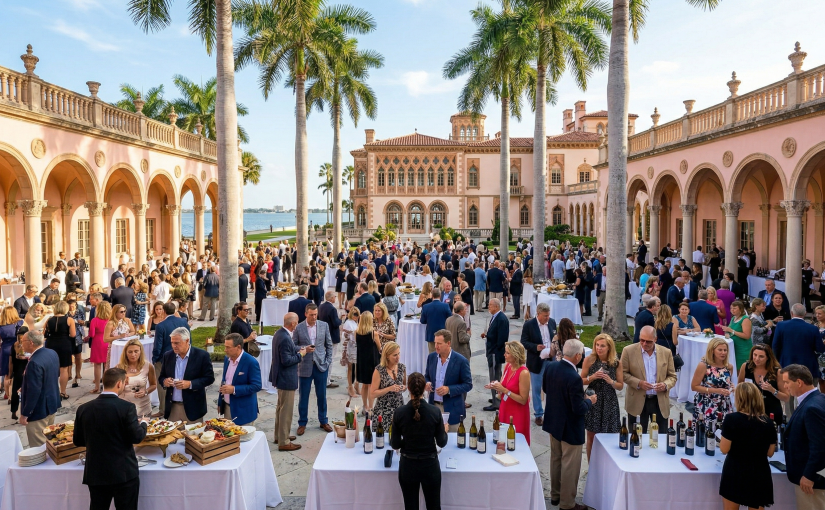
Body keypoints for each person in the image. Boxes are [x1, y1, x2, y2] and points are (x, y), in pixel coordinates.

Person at [73, 368, 148, 510]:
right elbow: (137, 437)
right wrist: (144, 423)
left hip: (96, 472)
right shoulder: (127, 407)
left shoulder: (83, 409)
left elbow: (78, 441)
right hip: (124, 472)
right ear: (119, 384)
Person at [543, 339, 596, 510]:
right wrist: (590, 401)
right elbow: (578, 408)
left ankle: (555, 495)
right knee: (570, 466)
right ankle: (567, 504)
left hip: (553, 421)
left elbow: (545, 388)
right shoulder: (574, 377)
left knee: (556, 460)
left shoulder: (551, 367)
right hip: (570, 427)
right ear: (578, 356)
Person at [391, 372, 448, 510]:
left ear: (409, 389)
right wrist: (444, 430)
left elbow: (395, 444)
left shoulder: (400, 412)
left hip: (408, 466)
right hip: (429, 465)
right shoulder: (434, 412)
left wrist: (409, 440)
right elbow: (441, 442)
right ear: (424, 389)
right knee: (434, 506)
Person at [719, 381, 778, 510]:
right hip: (759, 472)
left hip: (736, 471)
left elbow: (724, 449)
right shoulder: (768, 422)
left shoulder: (732, 419)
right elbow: (770, 452)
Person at [780, 364, 825, 509]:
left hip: (812, 482)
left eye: (787, 382)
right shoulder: (818, 398)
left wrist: (809, 475)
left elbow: (819, 446)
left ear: (799, 382)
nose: (785, 386)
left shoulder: (811, 407)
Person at [621, 325, 677, 433]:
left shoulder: (666, 352)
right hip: (637, 401)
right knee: (636, 437)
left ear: (655, 339)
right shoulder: (628, 351)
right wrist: (638, 383)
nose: (644, 344)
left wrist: (665, 385)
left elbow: (672, 376)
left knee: (661, 437)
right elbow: (622, 373)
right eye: (642, 340)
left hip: (659, 401)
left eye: (648, 341)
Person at [159, 327, 215, 423]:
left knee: (193, 437)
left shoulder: (202, 355)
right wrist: (165, 381)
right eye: (172, 343)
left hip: (193, 409)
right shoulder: (168, 356)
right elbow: (161, 377)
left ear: (187, 341)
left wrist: (190, 384)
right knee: (172, 437)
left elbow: (209, 378)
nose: (174, 346)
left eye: (177, 343)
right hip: (173, 408)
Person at [292, 303, 333, 435]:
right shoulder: (299, 328)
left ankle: (323, 420)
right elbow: (293, 346)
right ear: (306, 314)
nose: (314, 317)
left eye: (315, 314)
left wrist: (327, 362)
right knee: (303, 396)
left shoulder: (324, 325)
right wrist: (304, 350)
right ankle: (302, 423)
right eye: (311, 315)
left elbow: (329, 345)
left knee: (322, 395)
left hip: (321, 366)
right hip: (304, 366)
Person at [582, 334, 623, 461]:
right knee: (591, 436)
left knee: (610, 436)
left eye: (602, 346)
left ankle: (607, 465)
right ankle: (591, 467)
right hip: (593, 400)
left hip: (609, 401)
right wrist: (592, 377)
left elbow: (620, 386)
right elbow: (580, 380)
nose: (599, 348)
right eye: (597, 345)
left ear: (609, 348)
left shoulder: (616, 363)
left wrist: (611, 381)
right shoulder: (589, 360)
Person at [19, 330, 61, 447]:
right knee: (49, 442)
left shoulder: (34, 362)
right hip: (51, 405)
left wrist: (25, 414)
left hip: (38, 411)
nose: (22, 344)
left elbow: (34, 391)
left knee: (39, 447)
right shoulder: (52, 353)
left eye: (23, 341)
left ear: (31, 343)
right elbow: (54, 375)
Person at [424, 329, 472, 432]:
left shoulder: (461, 361)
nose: (436, 346)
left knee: (453, 441)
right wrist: (427, 383)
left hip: (452, 410)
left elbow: (468, 384)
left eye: (439, 343)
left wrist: (449, 389)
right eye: (435, 342)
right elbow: (427, 375)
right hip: (434, 407)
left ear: (448, 343)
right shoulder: (431, 357)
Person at [270, 313, 305, 450]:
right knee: (286, 411)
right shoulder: (285, 337)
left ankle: (279, 435)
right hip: (286, 378)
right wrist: (300, 355)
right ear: (293, 324)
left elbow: (288, 350)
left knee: (280, 408)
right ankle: (284, 442)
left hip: (280, 377)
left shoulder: (279, 333)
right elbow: (287, 360)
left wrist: (300, 349)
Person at [487, 341, 531, 444]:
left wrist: (505, 391)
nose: (504, 355)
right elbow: (503, 385)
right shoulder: (508, 366)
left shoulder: (523, 373)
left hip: (517, 412)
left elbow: (523, 400)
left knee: (515, 440)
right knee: (503, 438)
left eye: (507, 353)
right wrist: (495, 385)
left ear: (515, 355)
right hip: (505, 407)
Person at [520, 302, 556, 426]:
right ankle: (538, 414)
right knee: (536, 389)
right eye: (545, 316)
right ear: (538, 314)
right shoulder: (529, 325)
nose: (547, 318)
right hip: (536, 361)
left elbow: (555, 338)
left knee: (551, 388)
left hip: (551, 361)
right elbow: (523, 342)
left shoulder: (552, 322)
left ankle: (550, 412)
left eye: (548, 315)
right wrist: (536, 347)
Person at [152, 302, 189, 416]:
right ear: (175, 310)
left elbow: (158, 345)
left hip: (164, 359)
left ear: (163, 311)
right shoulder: (183, 321)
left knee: (163, 384)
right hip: (182, 356)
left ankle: (163, 410)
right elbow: (189, 338)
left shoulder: (161, 325)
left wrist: (155, 359)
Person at [738, 343, 788, 427]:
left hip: (770, 411)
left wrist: (772, 390)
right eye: (755, 355)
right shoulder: (746, 367)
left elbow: (786, 397)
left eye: (761, 356)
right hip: (750, 410)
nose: (757, 359)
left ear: (768, 358)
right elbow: (739, 389)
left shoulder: (777, 372)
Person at [218, 333, 262, 426]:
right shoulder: (227, 359)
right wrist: (220, 402)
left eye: (228, 347)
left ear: (238, 347)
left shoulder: (251, 362)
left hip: (244, 412)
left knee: (243, 440)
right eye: (225, 346)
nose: (225, 350)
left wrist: (234, 389)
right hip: (227, 409)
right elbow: (224, 381)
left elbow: (256, 386)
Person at [691, 337, 734, 429]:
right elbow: (694, 386)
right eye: (720, 350)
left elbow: (727, 383)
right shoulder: (704, 365)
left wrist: (731, 387)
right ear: (712, 351)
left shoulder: (729, 367)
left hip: (724, 404)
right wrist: (715, 390)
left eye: (725, 350)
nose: (723, 353)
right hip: (707, 403)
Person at [369, 341, 407, 430]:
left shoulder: (402, 367)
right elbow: (372, 394)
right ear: (387, 356)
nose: (398, 357)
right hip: (383, 409)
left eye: (399, 354)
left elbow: (405, 385)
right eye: (394, 355)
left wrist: (402, 387)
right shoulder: (379, 370)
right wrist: (389, 388)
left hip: (399, 407)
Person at [116, 339, 157, 417]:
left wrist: (146, 391)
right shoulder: (119, 368)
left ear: (140, 351)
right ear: (125, 353)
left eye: (136, 351)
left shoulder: (148, 366)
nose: (133, 354)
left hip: (143, 408)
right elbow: (113, 390)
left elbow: (154, 385)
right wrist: (122, 384)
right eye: (130, 352)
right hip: (125, 409)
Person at [43, 301, 76, 400]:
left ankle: (54, 391)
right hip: (64, 344)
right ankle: (63, 392)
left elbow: (45, 333)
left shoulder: (49, 320)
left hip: (51, 344)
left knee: (52, 369)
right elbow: (73, 334)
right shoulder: (69, 320)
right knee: (64, 369)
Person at [481, 298, 508, 411]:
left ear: (496, 306)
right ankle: (496, 396)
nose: (488, 307)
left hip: (495, 353)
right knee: (495, 376)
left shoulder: (501, 319)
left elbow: (502, 339)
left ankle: (497, 403)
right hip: (492, 351)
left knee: (495, 376)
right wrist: (487, 335)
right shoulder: (495, 317)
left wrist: (495, 352)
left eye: (490, 305)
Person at [355, 311, 380, 413]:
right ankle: (370, 407)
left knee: (364, 385)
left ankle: (365, 406)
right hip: (372, 361)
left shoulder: (356, 332)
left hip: (361, 361)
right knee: (371, 385)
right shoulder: (374, 333)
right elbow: (379, 348)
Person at [419, 288, 451, 354]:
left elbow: (422, 321)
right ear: (440, 296)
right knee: (443, 354)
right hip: (443, 335)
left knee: (432, 355)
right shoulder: (445, 306)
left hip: (431, 335)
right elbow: (450, 318)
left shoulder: (426, 307)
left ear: (432, 295)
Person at [722, 300, 752, 370]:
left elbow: (747, 336)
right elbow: (729, 330)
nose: (732, 310)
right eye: (731, 308)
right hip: (734, 347)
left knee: (741, 369)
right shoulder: (733, 318)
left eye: (734, 308)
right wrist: (726, 332)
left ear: (740, 309)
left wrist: (732, 331)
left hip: (743, 349)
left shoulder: (745, 319)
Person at [104, 304, 136, 370]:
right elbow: (105, 339)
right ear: (115, 313)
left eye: (124, 311)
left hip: (126, 347)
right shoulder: (111, 323)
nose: (123, 313)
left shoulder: (127, 320)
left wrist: (128, 335)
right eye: (121, 312)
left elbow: (133, 331)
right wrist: (119, 336)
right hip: (115, 348)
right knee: (115, 368)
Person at [340, 307, 360, 398]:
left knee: (357, 367)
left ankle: (356, 384)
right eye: (354, 314)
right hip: (350, 348)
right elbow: (346, 338)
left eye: (357, 314)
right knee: (350, 368)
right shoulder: (348, 323)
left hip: (356, 347)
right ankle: (350, 387)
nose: (356, 316)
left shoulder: (355, 322)